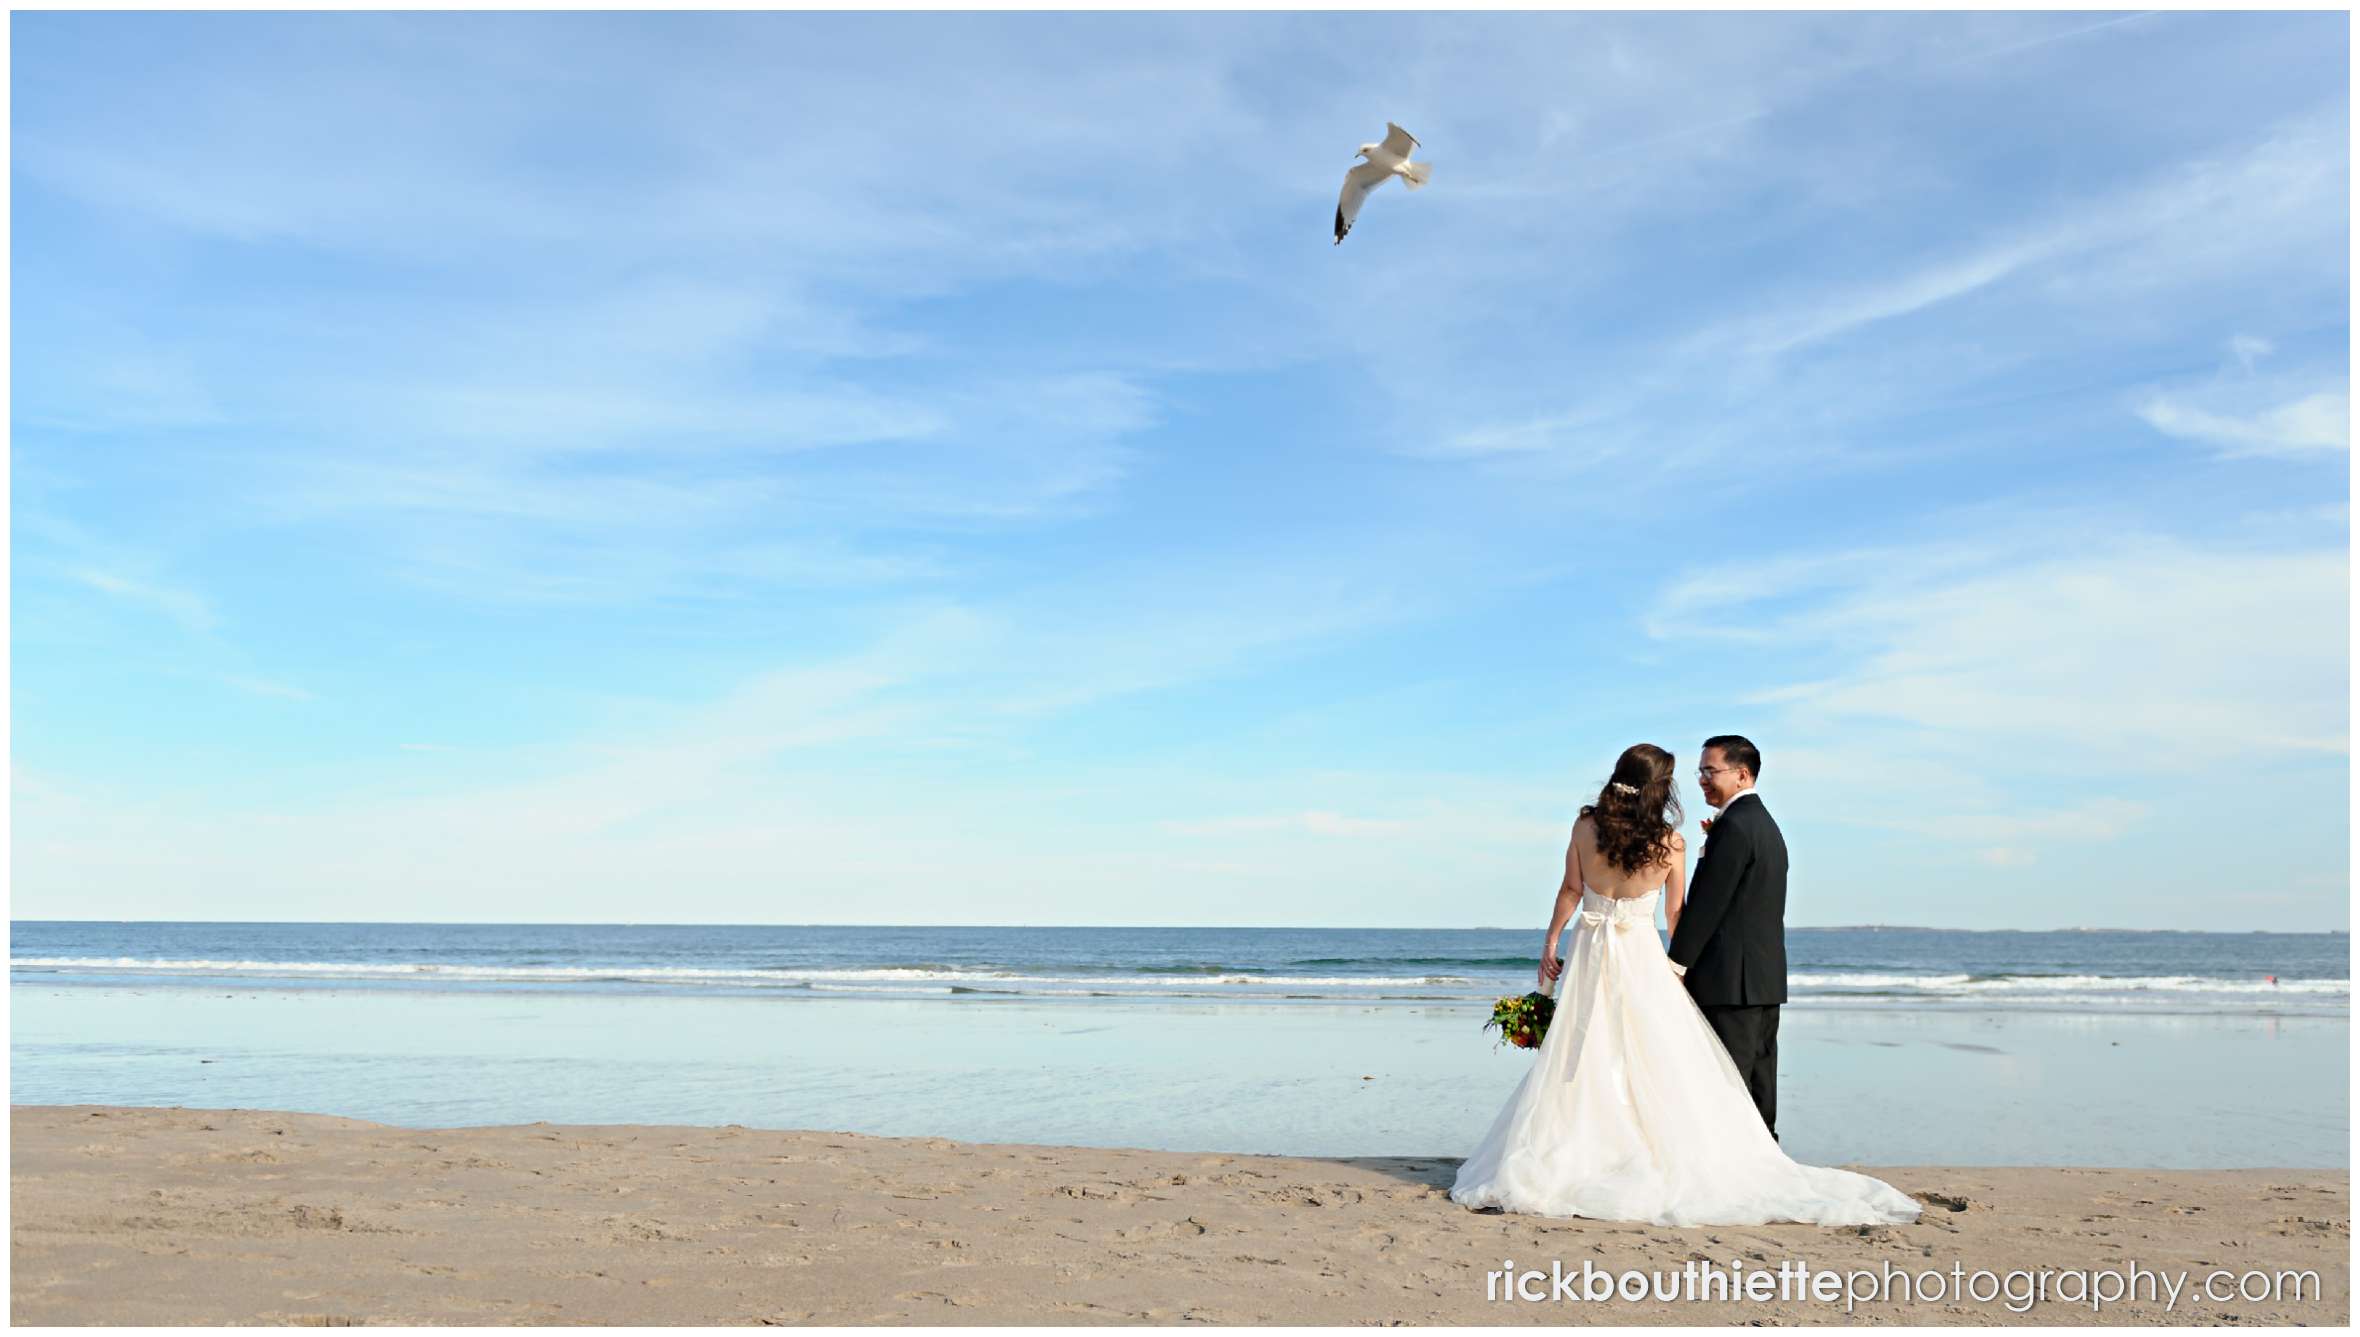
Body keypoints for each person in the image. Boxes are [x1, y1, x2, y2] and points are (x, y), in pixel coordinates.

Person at [1447, 742, 1920, 1226]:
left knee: (1584, 1050)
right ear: (1661, 789)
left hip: (1591, 950)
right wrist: (1679, 967)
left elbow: (1570, 889)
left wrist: (1550, 945)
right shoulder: (1670, 842)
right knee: (1652, 1056)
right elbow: (1676, 913)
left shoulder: (1585, 825)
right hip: (1639, 955)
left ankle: (1575, 1149)